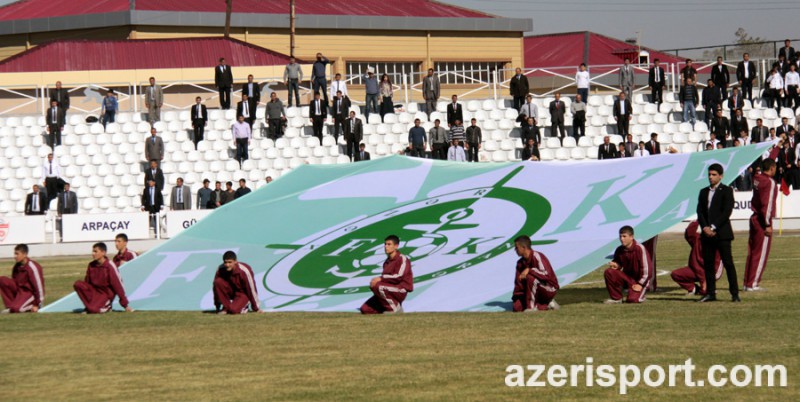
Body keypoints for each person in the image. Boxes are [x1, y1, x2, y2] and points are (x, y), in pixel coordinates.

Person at [697, 163, 740, 302]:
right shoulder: (703, 192)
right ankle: (710, 293)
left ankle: (734, 293)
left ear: (721, 176)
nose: (711, 177)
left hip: (722, 233)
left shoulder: (726, 190)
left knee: (728, 263)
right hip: (707, 234)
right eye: (709, 174)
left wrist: (713, 227)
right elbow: (700, 211)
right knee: (708, 264)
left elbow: (726, 212)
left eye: (714, 174)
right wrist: (705, 227)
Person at [744, 159, 778, 291]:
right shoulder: (770, 182)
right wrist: (768, 223)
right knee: (760, 253)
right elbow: (767, 205)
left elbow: (766, 163)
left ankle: (747, 283)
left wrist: (777, 148)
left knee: (752, 252)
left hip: (754, 217)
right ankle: (753, 284)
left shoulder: (757, 177)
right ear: (772, 168)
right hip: (762, 221)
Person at [74, 242, 133, 314]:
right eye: (93, 251)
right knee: (78, 284)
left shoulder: (109, 266)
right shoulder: (91, 265)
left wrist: (125, 305)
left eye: (95, 251)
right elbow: (87, 282)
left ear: (103, 253)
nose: (93, 253)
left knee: (94, 310)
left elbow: (118, 285)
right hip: (95, 293)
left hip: (105, 294)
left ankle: (106, 307)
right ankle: (89, 307)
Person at [360, 235, 413, 314]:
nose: (385, 246)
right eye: (385, 244)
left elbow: (399, 276)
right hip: (388, 290)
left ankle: (394, 309)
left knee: (379, 286)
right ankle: (391, 306)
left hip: (401, 289)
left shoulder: (402, 259)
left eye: (389, 244)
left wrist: (380, 278)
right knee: (365, 309)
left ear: (396, 246)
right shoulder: (386, 262)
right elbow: (387, 280)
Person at [670, 221, 723, 296]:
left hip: (709, 272)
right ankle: (694, 289)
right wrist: (698, 220)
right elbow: (689, 232)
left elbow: (715, 267)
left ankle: (710, 287)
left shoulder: (716, 245)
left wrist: (706, 280)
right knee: (676, 274)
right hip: (695, 270)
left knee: (705, 292)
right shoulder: (697, 239)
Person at [603, 226, 653, 304]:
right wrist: (616, 265)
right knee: (609, 272)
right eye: (620, 236)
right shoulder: (619, 249)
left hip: (640, 280)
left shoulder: (640, 248)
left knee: (632, 300)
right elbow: (619, 264)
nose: (622, 239)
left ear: (631, 237)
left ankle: (641, 296)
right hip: (628, 278)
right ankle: (616, 298)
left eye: (624, 236)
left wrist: (640, 284)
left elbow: (648, 270)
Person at [511, 235, 559, 312]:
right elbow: (518, 284)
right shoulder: (520, 263)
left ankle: (531, 308)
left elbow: (546, 275)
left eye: (517, 247)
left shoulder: (538, 256)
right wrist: (516, 299)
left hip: (549, 288)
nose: (515, 250)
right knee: (517, 307)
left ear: (524, 247)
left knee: (530, 277)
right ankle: (546, 304)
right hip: (532, 291)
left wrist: (530, 270)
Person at [0, 244, 44, 314]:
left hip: (29, 293)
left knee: (17, 309)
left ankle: (29, 306)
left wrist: (38, 304)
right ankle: (10, 307)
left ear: (24, 254)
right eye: (14, 254)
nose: (15, 256)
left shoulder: (33, 267)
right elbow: (14, 281)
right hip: (19, 291)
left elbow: (38, 287)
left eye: (17, 254)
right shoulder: (17, 266)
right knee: (2, 280)